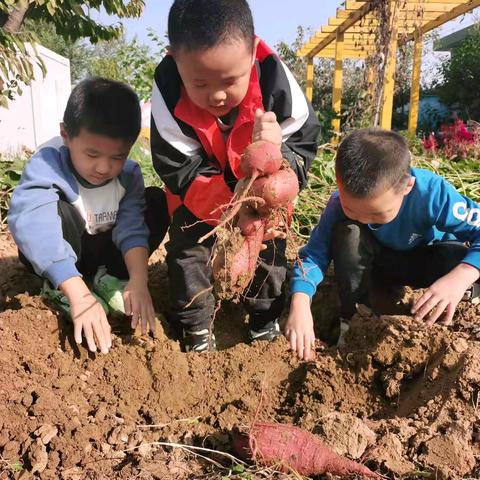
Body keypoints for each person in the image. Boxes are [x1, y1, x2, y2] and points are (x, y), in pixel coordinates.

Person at [150, 0, 320, 352]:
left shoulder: (273, 74)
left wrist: (278, 163)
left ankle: (263, 320)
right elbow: (177, 164)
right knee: (187, 248)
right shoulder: (166, 85)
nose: (216, 95)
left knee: (271, 248)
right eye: (199, 84)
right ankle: (197, 325)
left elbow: (303, 137)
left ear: (252, 50)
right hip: (199, 193)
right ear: (174, 59)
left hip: (261, 195)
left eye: (230, 81)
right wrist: (229, 209)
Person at [287, 128, 480, 361]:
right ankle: (354, 322)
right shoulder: (338, 203)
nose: (363, 219)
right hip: (380, 265)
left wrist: (459, 278)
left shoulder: (431, 194)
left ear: (407, 186)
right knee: (348, 233)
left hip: (428, 261)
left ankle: (454, 312)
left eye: (377, 215)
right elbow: (313, 256)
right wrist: (300, 301)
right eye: (352, 210)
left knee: (458, 258)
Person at [8, 78, 169, 354]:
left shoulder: (129, 174)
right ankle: (63, 284)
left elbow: (132, 227)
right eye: (92, 154)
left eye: (117, 157)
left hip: (103, 247)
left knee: (155, 202)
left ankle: (110, 280)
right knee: (46, 216)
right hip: (65, 249)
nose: (104, 167)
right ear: (66, 135)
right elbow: (33, 225)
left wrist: (139, 280)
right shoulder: (48, 164)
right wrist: (79, 296)